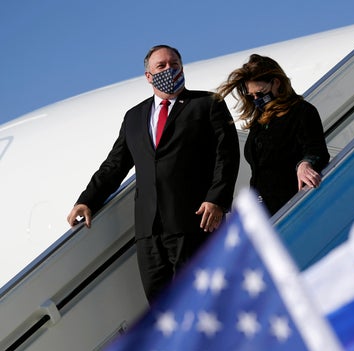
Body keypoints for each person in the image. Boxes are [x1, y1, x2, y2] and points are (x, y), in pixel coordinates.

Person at [66, 45, 240, 301]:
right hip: (149, 232)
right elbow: (115, 165)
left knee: (201, 303)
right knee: (160, 311)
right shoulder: (134, 117)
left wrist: (217, 199)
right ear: (148, 75)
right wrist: (87, 200)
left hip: (194, 223)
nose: (169, 69)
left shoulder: (207, 104)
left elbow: (227, 155)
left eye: (174, 64)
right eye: (161, 66)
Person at [216, 54, 330, 215]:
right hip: (260, 208)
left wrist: (305, 164)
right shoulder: (259, 121)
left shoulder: (302, 111)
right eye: (252, 96)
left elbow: (317, 149)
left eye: (261, 93)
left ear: (276, 83)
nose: (257, 100)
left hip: (291, 205)